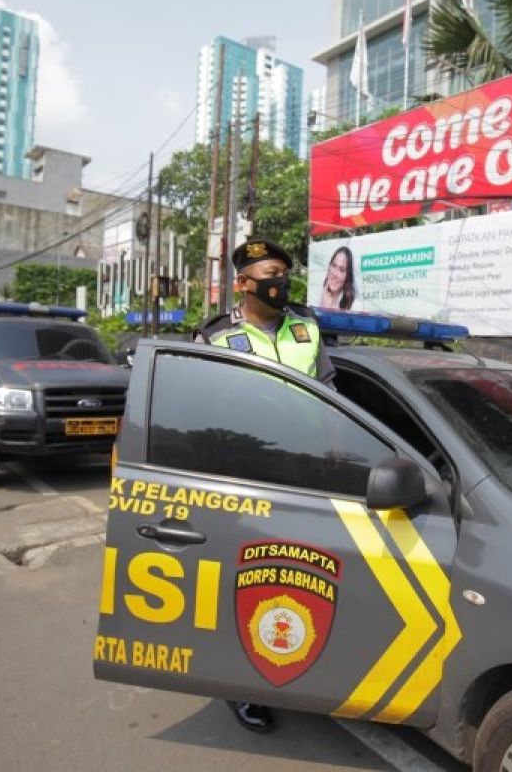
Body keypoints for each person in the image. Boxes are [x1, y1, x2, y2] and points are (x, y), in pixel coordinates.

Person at [193, 238, 335, 734]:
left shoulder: (306, 328)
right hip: (244, 480)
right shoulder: (213, 338)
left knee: (293, 582)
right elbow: (199, 417)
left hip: (307, 478)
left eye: (284, 272)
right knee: (241, 585)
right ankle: (239, 688)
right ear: (243, 282)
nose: (280, 281)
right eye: (270, 273)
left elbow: (331, 398)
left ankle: (290, 669)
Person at [318, 245, 357, 310]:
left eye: (341, 270)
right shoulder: (319, 297)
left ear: (347, 276)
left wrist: (326, 309)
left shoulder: (354, 307)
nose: (335, 274)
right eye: (334, 265)